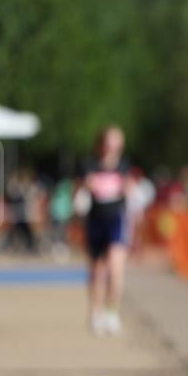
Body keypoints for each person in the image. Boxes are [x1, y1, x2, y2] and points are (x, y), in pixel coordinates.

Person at [78, 126, 134, 336]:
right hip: (95, 221)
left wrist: (128, 189)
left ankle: (112, 312)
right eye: (109, 141)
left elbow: (130, 190)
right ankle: (96, 312)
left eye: (117, 141)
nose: (113, 146)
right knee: (97, 271)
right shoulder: (89, 165)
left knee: (115, 267)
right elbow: (81, 190)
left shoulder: (124, 166)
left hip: (116, 220)